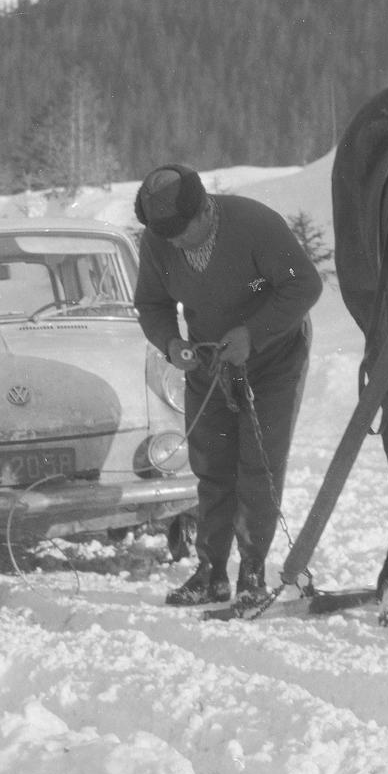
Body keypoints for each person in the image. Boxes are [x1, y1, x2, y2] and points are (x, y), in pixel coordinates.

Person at [133, 164, 322, 607]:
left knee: (258, 467)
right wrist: (172, 343)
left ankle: (252, 573)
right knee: (211, 467)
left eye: (182, 234)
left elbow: (304, 286)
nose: (175, 244)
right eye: (168, 237)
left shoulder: (254, 225)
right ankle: (211, 572)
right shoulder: (159, 240)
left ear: (203, 212)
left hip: (274, 360)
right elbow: (152, 304)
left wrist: (253, 334)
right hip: (207, 363)